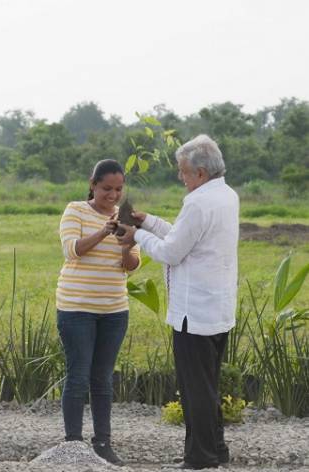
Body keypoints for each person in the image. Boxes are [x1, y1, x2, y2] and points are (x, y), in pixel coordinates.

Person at [117, 135, 237, 470]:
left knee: (195, 388)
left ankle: (199, 458)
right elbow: (184, 236)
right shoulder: (226, 195)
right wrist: (149, 221)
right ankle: (215, 451)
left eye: (183, 171)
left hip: (193, 312)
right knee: (208, 384)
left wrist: (136, 235)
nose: (180, 177)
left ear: (200, 172)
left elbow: (171, 251)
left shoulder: (197, 203)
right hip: (217, 309)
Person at [55, 159, 140, 465]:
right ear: (93, 184)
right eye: (107, 188)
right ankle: (72, 443)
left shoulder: (127, 216)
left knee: (103, 378)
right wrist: (103, 232)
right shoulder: (75, 210)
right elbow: (72, 249)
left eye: (118, 189)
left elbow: (131, 267)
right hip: (76, 307)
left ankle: (103, 443)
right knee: (78, 375)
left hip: (114, 309)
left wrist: (125, 244)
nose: (113, 195)